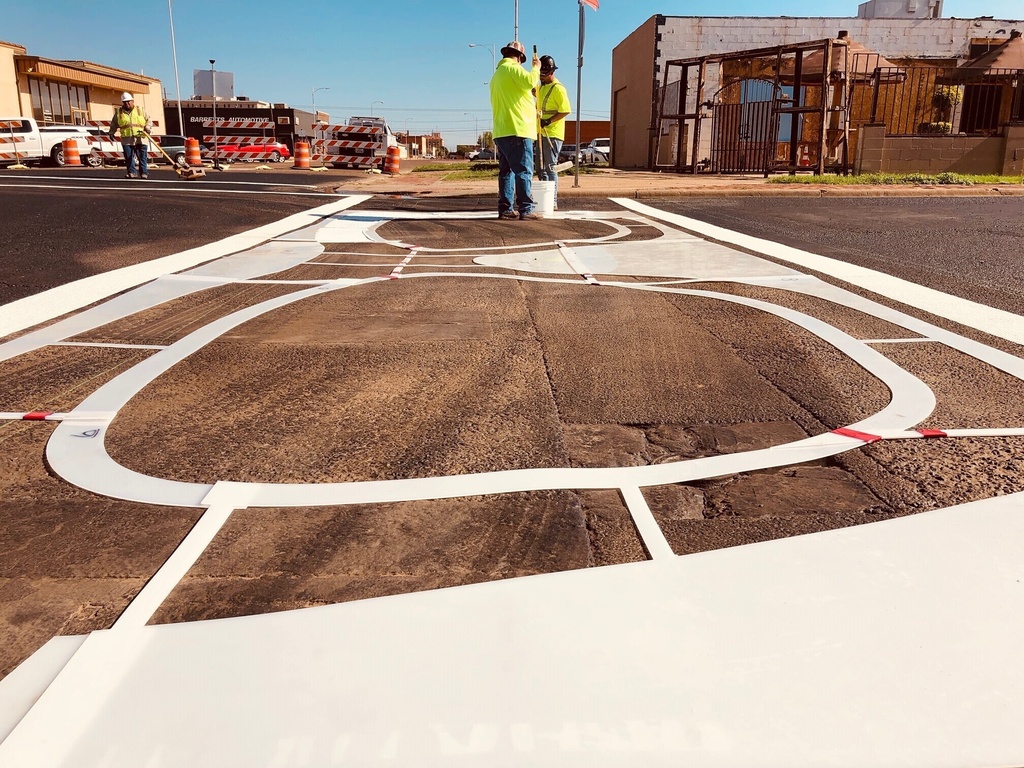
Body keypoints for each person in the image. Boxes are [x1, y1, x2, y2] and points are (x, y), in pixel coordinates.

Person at [490, 41, 541, 220]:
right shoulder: (513, 69)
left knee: (506, 171)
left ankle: (505, 208)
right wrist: (536, 68)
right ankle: (526, 208)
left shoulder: (497, 75)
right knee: (523, 171)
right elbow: (529, 82)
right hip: (518, 129)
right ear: (519, 58)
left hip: (501, 130)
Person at [536, 55, 572, 211]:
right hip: (540, 132)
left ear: (551, 72)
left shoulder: (558, 88)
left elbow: (565, 110)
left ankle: (553, 201)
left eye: (543, 74)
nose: (541, 77)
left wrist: (548, 121)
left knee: (550, 167)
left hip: (553, 133)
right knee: (540, 167)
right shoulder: (541, 86)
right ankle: (545, 197)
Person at [107, 92, 152, 179]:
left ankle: (144, 173)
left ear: (132, 101)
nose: (127, 104)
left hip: (140, 137)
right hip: (127, 138)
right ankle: (132, 172)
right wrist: (111, 132)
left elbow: (149, 120)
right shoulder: (119, 112)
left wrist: (147, 127)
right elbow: (114, 123)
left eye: (128, 102)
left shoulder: (140, 110)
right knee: (129, 156)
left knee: (142, 156)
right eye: (125, 102)